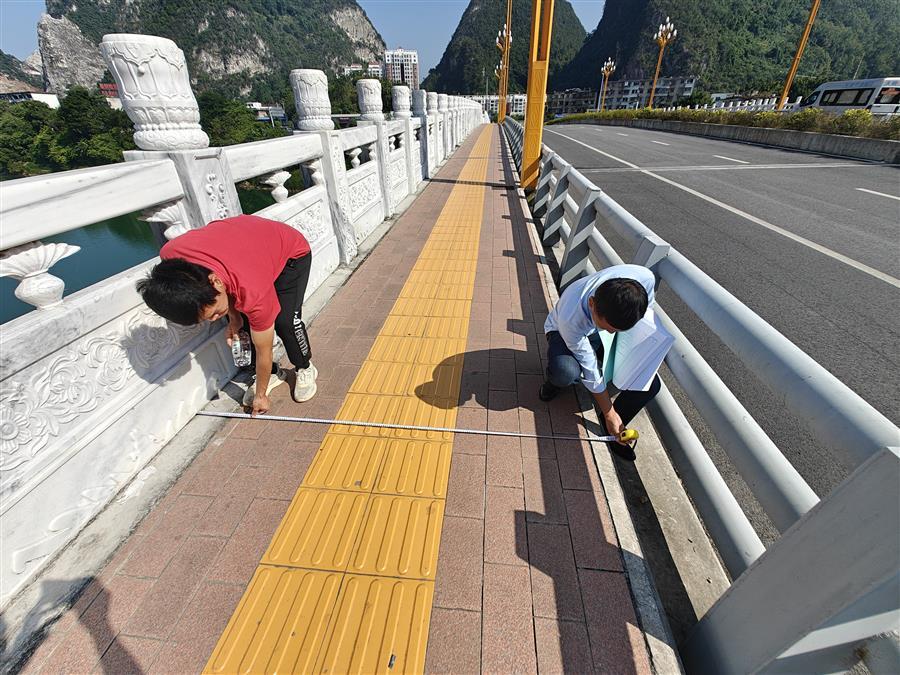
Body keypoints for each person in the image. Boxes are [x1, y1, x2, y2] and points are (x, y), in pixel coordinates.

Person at [137, 214, 317, 416]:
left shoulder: (252, 290)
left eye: (213, 314)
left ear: (215, 282)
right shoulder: (171, 256)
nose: (213, 320)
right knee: (245, 324)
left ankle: (305, 367)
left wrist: (260, 396)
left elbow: (264, 349)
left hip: (290, 255)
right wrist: (234, 318)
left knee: (285, 322)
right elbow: (226, 278)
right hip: (248, 253)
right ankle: (273, 373)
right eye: (206, 319)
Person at [540, 264, 661, 461]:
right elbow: (590, 369)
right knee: (565, 371)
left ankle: (615, 431)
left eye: (615, 329)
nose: (611, 332)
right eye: (607, 326)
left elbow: (646, 316)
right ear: (592, 303)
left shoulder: (644, 279)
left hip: (599, 335)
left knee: (650, 383)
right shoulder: (572, 317)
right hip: (562, 332)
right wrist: (608, 411)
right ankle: (553, 383)